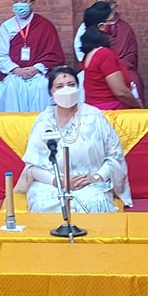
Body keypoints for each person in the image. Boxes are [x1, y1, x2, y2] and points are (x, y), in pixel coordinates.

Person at [18, 67, 130, 213]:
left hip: (90, 184)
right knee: (44, 205)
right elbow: (32, 166)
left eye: (71, 85)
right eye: (59, 86)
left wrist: (95, 177)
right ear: (51, 93)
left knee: (95, 204)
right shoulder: (43, 121)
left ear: (78, 88)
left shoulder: (94, 116)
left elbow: (115, 157)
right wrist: (59, 181)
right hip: (52, 184)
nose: (66, 90)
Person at [0, 0, 66, 113]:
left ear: (32, 3)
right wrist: (16, 70)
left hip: (39, 73)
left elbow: (54, 54)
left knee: (42, 86)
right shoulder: (6, 27)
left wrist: (36, 68)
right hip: (15, 73)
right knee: (10, 87)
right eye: (16, 1)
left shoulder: (45, 25)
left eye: (23, 1)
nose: (19, 4)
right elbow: (0, 55)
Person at [73, 0, 144, 98]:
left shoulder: (125, 28)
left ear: (115, 7)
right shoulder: (87, 27)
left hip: (122, 68)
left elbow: (131, 55)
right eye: (101, 3)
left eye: (108, 3)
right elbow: (81, 51)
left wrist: (116, 66)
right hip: (95, 69)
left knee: (134, 82)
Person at [79, 2, 141, 110]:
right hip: (111, 111)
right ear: (101, 26)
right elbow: (120, 92)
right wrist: (136, 104)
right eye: (111, 21)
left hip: (95, 109)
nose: (115, 24)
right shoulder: (104, 54)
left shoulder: (89, 53)